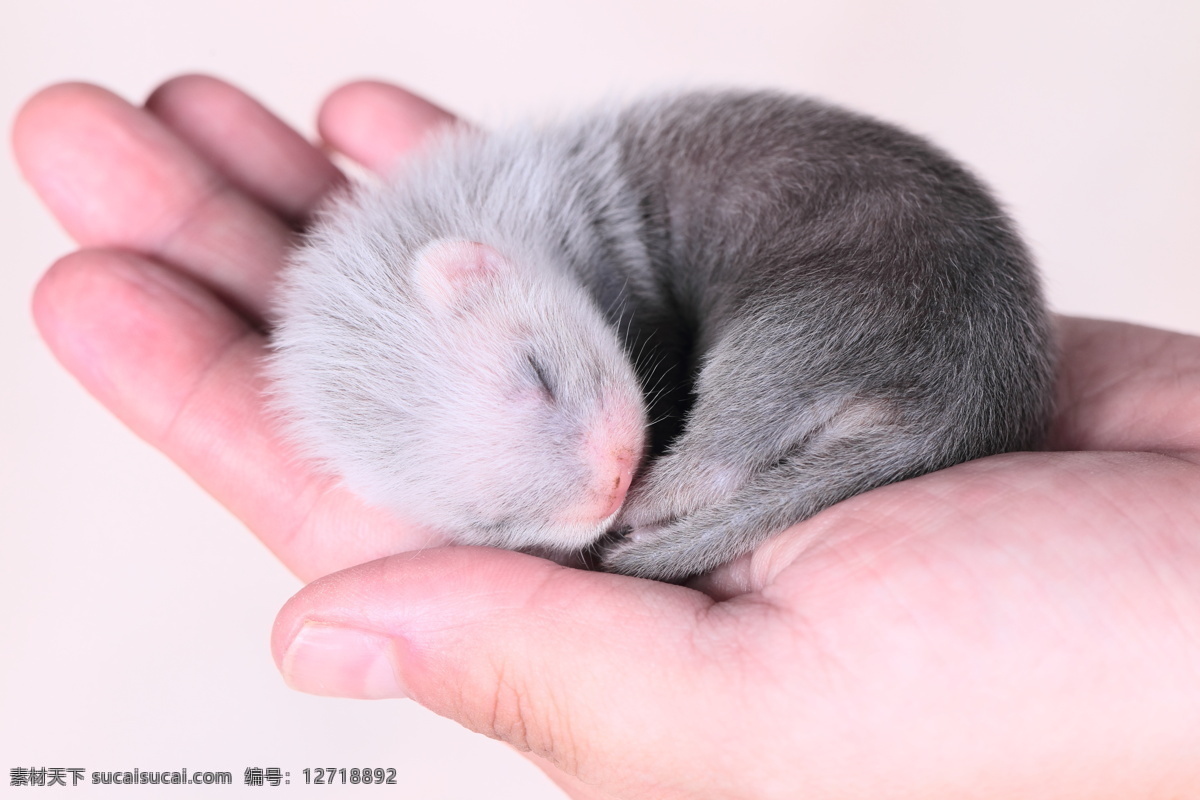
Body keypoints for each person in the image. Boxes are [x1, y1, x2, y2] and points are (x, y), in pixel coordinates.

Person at [14, 75, 1200, 798]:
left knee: (782, 387)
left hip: (892, 283)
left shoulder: (600, 211)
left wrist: (698, 487)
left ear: (477, 274)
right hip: (922, 358)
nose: (599, 472)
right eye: (498, 512)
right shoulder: (512, 307)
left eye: (539, 380)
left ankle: (764, 451)